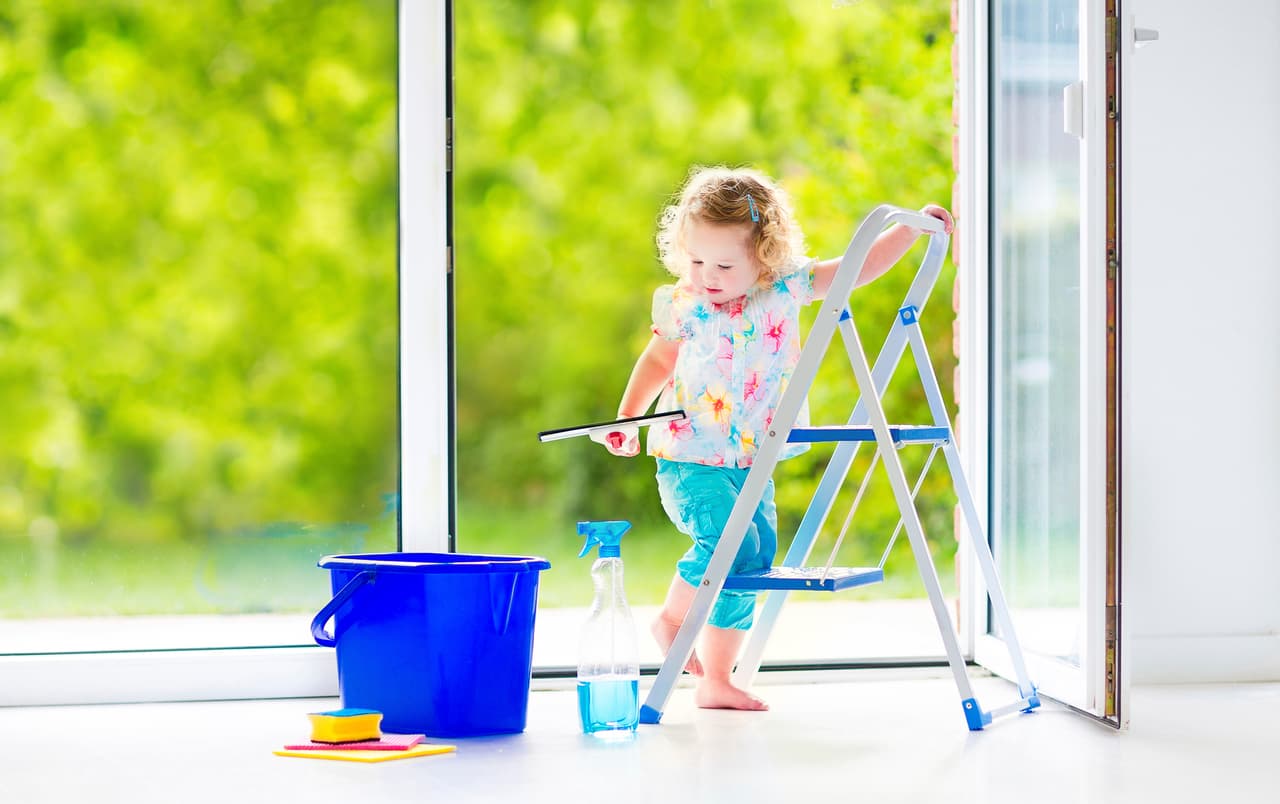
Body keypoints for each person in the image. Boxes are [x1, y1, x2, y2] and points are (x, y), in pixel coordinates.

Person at [593, 165, 953, 711]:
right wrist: (627, 415)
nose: (706, 275)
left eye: (723, 263)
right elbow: (659, 359)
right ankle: (672, 620)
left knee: (752, 561)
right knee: (725, 545)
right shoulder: (684, 303)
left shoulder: (787, 286)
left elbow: (855, 269)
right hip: (692, 458)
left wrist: (908, 232)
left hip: (753, 460)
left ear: (763, 255)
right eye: (695, 260)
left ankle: (716, 677)